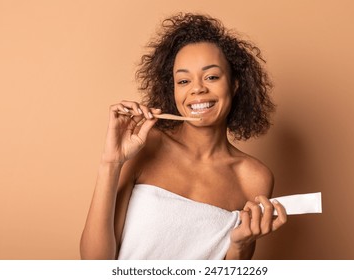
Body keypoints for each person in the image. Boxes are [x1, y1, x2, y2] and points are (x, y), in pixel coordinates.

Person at [80, 13, 287, 260]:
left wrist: (240, 246)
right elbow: (95, 263)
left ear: (234, 85)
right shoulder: (147, 145)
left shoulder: (253, 178)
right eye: (183, 80)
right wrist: (111, 163)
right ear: (173, 90)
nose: (197, 89)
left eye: (211, 77)